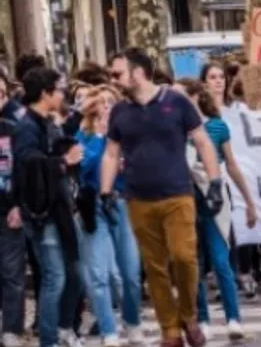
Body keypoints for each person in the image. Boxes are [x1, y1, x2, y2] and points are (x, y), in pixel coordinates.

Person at [101, 49, 223, 347]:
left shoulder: (176, 101)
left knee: (184, 258)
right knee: (155, 267)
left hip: (178, 193)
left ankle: (189, 314)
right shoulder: (119, 111)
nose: (113, 80)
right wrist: (105, 191)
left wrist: (215, 182)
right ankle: (169, 329)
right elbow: (111, 152)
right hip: (138, 199)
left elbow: (203, 141)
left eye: (117, 74)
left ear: (138, 72)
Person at [179, 80, 258, 342]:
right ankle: (202, 318)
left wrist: (249, 201)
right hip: (185, 200)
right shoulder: (173, 131)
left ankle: (233, 317)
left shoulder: (216, 127)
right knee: (194, 262)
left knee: (220, 259)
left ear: (195, 98)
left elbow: (232, 165)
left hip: (213, 200)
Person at [14, 67, 85, 347]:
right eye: (59, 89)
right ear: (45, 93)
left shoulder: (47, 122)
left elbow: (54, 147)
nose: (63, 94)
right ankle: (49, 338)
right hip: (44, 215)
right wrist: (63, 162)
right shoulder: (26, 127)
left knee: (77, 273)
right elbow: (29, 165)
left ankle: (65, 326)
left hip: (63, 210)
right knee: (54, 277)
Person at [74, 86, 144, 347]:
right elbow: (81, 167)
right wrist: (99, 138)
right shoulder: (85, 134)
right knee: (99, 273)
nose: (106, 107)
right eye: (102, 102)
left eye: (111, 102)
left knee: (130, 272)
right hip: (93, 205)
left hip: (122, 202)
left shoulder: (129, 132)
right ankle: (108, 329)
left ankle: (132, 321)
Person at [0, 75, 24, 347]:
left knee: (12, 270)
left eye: (2, 93)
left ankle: (11, 329)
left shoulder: (12, 130)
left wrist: (19, 205)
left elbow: (23, 171)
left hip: (8, 208)